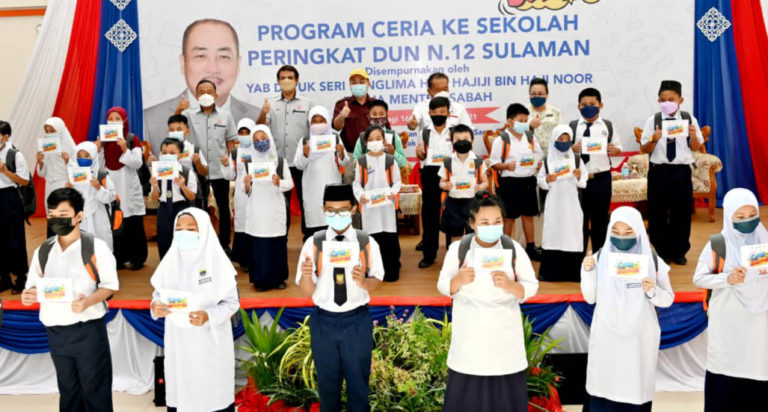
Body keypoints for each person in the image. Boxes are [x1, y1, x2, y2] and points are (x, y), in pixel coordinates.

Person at [437, 192, 538, 412]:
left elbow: (532, 285)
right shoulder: (459, 249)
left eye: (497, 221)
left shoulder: (512, 248)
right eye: (484, 222)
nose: (491, 226)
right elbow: (443, 285)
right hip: (470, 336)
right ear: (472, 224)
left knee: (505, 399)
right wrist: (458, 280)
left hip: (504, 338)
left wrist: (511, 286)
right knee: (467, 397)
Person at [21, 188, 119, 412]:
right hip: (55, 331)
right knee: (68, 391)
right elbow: (33, 286)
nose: (57, 220)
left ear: (79, 216)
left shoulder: (96, 247)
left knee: (95, 391)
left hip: (88, 330)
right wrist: (29, 295)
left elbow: (110, 286)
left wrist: (88, 302)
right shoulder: (43, 251)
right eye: (52, 215)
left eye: (63, 215)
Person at [296, 184, 383, 412]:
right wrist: (306, 275)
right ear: (323, 210)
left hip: (356, 321)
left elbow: (378, 279)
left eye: (343, 210)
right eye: (331, 211)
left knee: (358, 385)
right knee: (327, 385)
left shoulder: (366, 242)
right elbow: (307, 291)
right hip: (324, 321)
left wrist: (364, 283)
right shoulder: (313, 243)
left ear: (353, 209)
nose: (337, 215)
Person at [580, 206, 674, 411]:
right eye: (616, 232)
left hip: (639, 340)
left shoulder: (653, 261)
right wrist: (587, 271)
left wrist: (653, 291)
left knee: (635, 390)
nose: (621, 237)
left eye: (628, 232)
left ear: (639, 230)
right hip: (607, 337)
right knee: (605, 388)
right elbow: (590, 297)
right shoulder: (598, 258)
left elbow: (668, 299)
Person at [150, 208, 239, 412]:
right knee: (182, 390)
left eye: (190, 229)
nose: (184, 233)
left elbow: (232, 303)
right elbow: (158, 294)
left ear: (204, 230)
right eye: (179, 229)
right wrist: (156, 307)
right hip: (179, 343)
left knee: (211, 393)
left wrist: (209, 316)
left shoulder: (218, 263)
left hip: (209, 342)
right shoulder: (170, 261)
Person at [693, 188, 768, 412]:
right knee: (725, 385)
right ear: (728, 216)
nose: (747, 221)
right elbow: (699, 278)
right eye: (740, 217)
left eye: (752, 215)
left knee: (758, 376)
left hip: (759, 330)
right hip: (728, 330)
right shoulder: (718, 245)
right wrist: (728, 278)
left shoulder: (765, 241)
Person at [144, 18, 260, 154]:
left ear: (238, 64)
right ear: (183, 63)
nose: (213, 69)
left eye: (223, 56)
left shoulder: (259, 118)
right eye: (200, 56)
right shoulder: (148, 121)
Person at [640, 80, 703, 265]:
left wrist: (693, 135)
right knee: (657, 212)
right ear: (658, 100)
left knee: (681, 212)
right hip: (659, 171)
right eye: (663, 100)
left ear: (680, 100)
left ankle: (679, 251)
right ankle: (662, 251)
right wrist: (654, 139)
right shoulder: (653, 120)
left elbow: (696, 147)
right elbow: (644, 149)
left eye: (671, 99)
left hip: (681, 172)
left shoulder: (689, 119)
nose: (667, 103)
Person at [257, 64, 315, 234]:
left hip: (302, 161)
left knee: (306, 200)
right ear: (278, 81)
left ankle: (308, 237)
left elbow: (315, 130)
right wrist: (263, 112)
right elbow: (260, 128)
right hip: (279, 162)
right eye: (283, 78)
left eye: (290, 77)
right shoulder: (270, 103)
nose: (287, 80)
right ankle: (282, 238)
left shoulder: (308, 103)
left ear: (297, 81)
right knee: (282, 203)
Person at [182, 79, 237, 252]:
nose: (206, 95)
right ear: (196, 95)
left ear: (216, 94)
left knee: (223, 208)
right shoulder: (187, 114)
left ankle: (224, 245)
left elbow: (231, 141)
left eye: (209, 91)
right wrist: (178, 109)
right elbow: (175, 130)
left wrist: (230, 159)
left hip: (220, 170)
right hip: (197, 170)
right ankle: (201, 245)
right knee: (199, 208)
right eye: (201, 92)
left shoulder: (226, 115)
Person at [570, 88, 623, 253]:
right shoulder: (572, 126)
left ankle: (600, 255)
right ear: (578, 106)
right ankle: (579, 257)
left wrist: (615, 150)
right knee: (580, 220)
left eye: (592, 104)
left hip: (601, 179)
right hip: (578, 180)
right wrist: (571, 149)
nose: (588, 107)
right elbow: (563, 152)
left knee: (600, 220)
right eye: (584, 104)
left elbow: (618, 148)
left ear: (600, 105)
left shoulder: (608, 125)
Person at [242, 125, 294, 290]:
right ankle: (260, 281)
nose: (260, 142)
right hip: (257, 211)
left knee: (277, 245)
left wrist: (280, 182)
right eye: (256, 140)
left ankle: (279, 279)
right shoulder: (249, 162)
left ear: (270, 138)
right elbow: (245, 190)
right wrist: (246, 184)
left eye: (263, 138)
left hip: (274, 210)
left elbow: (290, 184)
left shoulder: (280, 161)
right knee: (259, 247)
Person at [489, 103, 543, 260]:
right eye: (521, 121)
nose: (524, 124)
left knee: (528, 215)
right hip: (509, 183)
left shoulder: (530, 137)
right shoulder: (501, 140)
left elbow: (538, 155)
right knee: (508, 217)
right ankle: (505, 247)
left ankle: (531, 247)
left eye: (526, 121)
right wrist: (505, 166)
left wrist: (538, 164)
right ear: (510, 122)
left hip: (528, 182)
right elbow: (494, 163)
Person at [537, 125, 587, 281]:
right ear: (554, 139)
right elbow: (540, 180)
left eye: (567, 139)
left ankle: (572, 274)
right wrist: (547, 179)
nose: (564, 142)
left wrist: (579, 176)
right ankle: (550, 274)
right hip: (554, 205)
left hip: (572, 205)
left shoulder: (576, 159)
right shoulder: (547, 160)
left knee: (572, 235)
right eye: (560, 139)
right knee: (553, 234)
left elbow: (584, 181)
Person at [353, 126, 402, 282]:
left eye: (378, 138)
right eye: (371, 139)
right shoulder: (361, 161)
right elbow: (356, 183)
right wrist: (361, 196)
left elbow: (397, 181)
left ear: (384, 140)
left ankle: (391, 271)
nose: (375, 142)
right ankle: (372, 271)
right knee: (372, 239)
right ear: (365, 143)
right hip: (369, 208)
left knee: (389, 239)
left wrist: (393, 192)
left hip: (387, 207)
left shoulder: (390, 160)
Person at [293, 106, 351, 240]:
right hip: (312, 190)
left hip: (332, 188)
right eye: (315, 121)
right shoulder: (305, 140)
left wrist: (342, 155)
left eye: (322, 120)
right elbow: (298, 165)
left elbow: (345, 163)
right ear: (309, 122)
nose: (318, 124)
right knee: (314, 226)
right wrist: (305, 155)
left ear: (327, 121)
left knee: (334, 223)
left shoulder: (335, 138)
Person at [104, 107, 148, 270]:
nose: (114, 121)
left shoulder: (131, 138)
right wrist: (98, 149)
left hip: (128, 187)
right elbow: (99, 166)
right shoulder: (104, 139)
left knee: (132, 221)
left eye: (117, 118)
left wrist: (124, 149)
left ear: (124, 121)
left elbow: (137, 163)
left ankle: (137, 259)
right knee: (115, 222)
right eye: (111, 119)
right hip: (111, 185)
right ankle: (119, 258)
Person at [415, 96, 454, 268]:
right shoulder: (425, 132)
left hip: (451, 173)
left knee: (452, 212)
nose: (439, 115)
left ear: (448, 113)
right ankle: (429, 255)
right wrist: (420, 154)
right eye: (435, 112)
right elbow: (422, 156)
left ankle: (453, 253)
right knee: (430, 215)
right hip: (430, 174)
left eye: (442, 112)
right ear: (430, 113)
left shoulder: (454, 131)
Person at [438, 124, 489, 246]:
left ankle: (472, 255)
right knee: (455, 234)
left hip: (472, 202)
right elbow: (440, 183)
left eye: (465, 139)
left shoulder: (478, 161)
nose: (461, 142)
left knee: (474, 233)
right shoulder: (448, 161)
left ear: (472, 140)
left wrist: (481, 187)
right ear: (452, 142)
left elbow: (486, 182)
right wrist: (445, 186)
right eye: (457, 139)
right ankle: (456, 255)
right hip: (453, 203)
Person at [149, 138, 198, 259]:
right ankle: (165, 265)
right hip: (164, 208)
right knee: (163, 239)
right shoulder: (158, 172)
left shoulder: (187, 172)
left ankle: (183, 265)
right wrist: (154, 186)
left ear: (180, 155)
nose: (167, 156)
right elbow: (155, 198)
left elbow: (192, 196)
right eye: (164, 152)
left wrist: (183, 186)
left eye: (172, 153)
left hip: (181, 208)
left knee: (182, 239)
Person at [66, 141, 116, 251]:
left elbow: (111, 196)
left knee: (100, 250)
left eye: (86, 155)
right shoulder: (73, 176)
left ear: (93, 156)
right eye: (79, 156)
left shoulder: (101, 175)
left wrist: (99, 188)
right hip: (80, 219)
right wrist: (68, 190)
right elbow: (69, 201)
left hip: (98, 218)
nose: (82, 159)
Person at [406, 73, 475, 150]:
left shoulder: (459, 108)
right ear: (429, 91)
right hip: (428, 154)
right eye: (438, 90)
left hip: (453, 154)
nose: (443, 93)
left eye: (445, 89)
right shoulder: (420, 107)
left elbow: (469, 131)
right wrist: (412, 124)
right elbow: (411, 125)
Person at [0, 120, 30, 293]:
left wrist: (5, 171)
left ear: (5, 137)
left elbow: (24, 181)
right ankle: (4, 278)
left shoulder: (14, 154)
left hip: (10, 197)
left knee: (15, 238)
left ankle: (21, 277)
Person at [37, 117, 77, 219]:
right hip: (49, 185)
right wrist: (40, 162)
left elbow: (77, 171)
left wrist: (68, 161)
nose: (49, 134)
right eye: (47, 131)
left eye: (52, 131)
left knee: (64, 215)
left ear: (60, 130)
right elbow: (42, 173)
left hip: (64, 184)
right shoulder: (46, 146)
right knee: (51, 214)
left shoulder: (71, 147)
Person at [167, 114, 209, 209]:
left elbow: (205, 172)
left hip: (191, 192)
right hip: (172, 195)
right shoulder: (164, 151)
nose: (175, 132)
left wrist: (198, 163)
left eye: (179, 129)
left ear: (187, 132)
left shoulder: (193, 149)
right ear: (168, 132)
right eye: (172, 130)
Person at [231, 118, 256, 270]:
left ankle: (255, 258)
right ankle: (243, 259)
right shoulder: (235, 153)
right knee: (241, 224)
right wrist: (225, 165)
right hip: (240, 195)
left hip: (256, 193)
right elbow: (230, 175)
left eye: (248, 132)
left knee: (254, 223)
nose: (244, 135)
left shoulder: (260, 150)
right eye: (241, 133)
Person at [352, 100, 407, 168]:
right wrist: (367, 156)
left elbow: (403, 163)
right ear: (369, 116)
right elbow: (355, 164)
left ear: (386, 116)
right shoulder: (363, 137)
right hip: (368, 173)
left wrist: (394, 153)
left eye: (381, 114)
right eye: (374, 114)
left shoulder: (393, 136)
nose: (378, 117)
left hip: (388, 173)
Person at [332, 69, 373, 153]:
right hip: (349, 153)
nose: (358, 85)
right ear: (350, 85)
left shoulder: (376, 104)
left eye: (361, 82)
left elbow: (386, 129)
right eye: (354, 82)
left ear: (368, 84)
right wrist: (342, 116)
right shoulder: (342, 104)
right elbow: (337, 127)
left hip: (372, 152)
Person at [526, 77, 562, 157]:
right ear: (529, 94)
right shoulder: (522, 112)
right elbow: (514, 132)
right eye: (533, 93)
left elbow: (563, 133)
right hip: (529, 158)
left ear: (547, 94)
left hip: (553, 156)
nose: (536, 96)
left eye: (540, 94)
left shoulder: (555, 112)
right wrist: (529, 125)